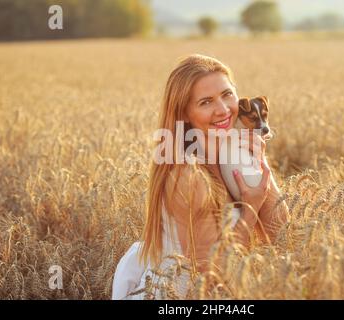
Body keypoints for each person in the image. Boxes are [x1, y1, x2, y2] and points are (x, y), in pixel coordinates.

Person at [112, 54, 289, 300]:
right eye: (206, 102)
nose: (223, 110)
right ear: (184, 113)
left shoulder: (232, 155)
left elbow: (281, 232)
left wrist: (257, 158)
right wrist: (252, 206)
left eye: (227, 94)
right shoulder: (188, 176)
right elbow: (211, 273)